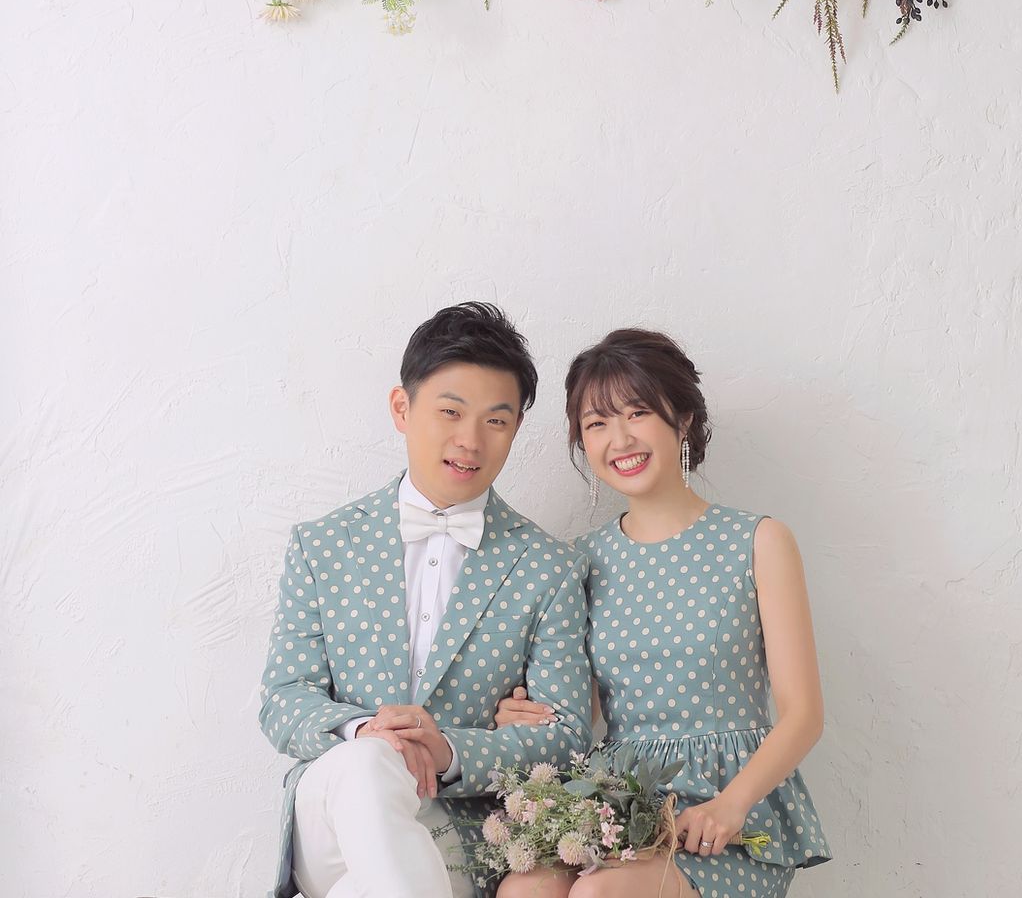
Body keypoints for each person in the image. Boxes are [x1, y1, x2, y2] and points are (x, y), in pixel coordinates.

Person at [258, 303, 593, 898]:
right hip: (330, 818)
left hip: (459, 833)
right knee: (369, 764)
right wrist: (366, 732)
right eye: (450, 412)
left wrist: (448, 750)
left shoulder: (549, 567)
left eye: (496, 421)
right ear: (402, 408)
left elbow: (565, 738)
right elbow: (284, 698)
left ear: (516, 429)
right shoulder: (323, 544)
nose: (470, 440)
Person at [494, 329, 831, 898]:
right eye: (597, 423)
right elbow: (581, 711)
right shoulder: (581, 560)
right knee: (522, 890)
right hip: (619, 804)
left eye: (638, 412)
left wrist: (730, 805)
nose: (619, 438)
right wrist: (526, 716)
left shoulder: (758, 541)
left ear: (683, 419)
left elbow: (804, 715)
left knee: (599, 895)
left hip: (729, 808)